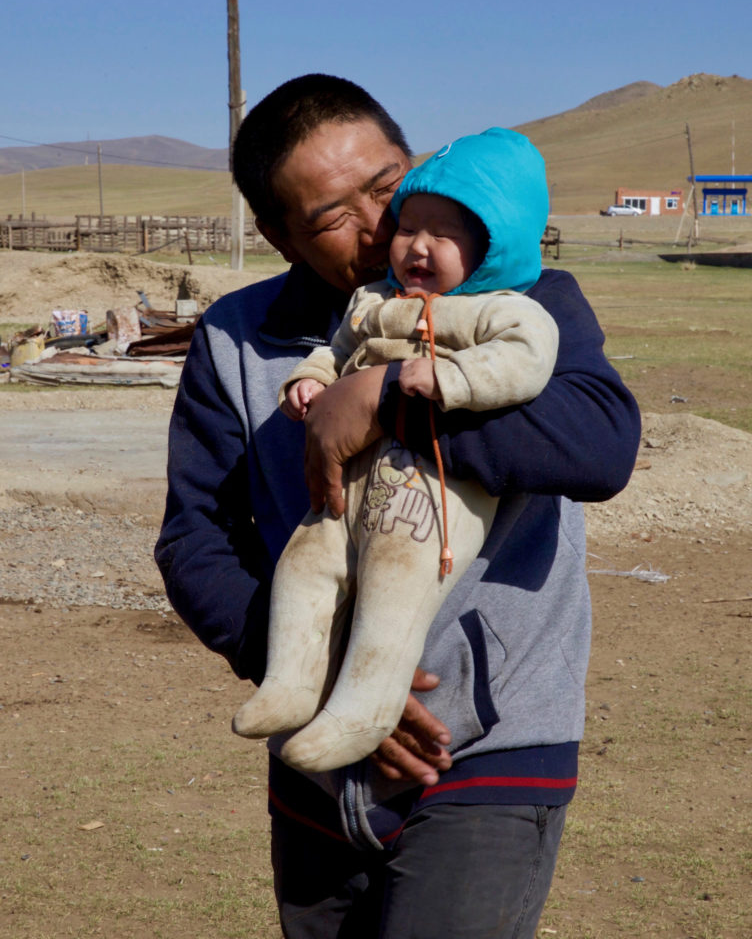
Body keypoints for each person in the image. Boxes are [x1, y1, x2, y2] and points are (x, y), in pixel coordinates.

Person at [155, 73, 641, 939]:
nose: (386, 230)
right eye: (336, 216)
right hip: (313, 766)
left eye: (389, 186)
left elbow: (601, 444)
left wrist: (386, 398)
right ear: (278, 235)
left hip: (488, 750)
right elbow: (196, 538)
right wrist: (322, 670)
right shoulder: (234, 341)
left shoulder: (524, 300)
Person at [232, 127, 560, 777]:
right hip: (344, 489)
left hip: (428, 501)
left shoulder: (501, 310)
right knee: (304, 568)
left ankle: (367, 710)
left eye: (446, 233)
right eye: (410, 226)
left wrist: (452, 380)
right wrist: (311, 381)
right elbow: (334, 350)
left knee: (393, 586)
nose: (417, 246)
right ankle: (292, 683)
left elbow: (527, 361)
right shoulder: (374, 302)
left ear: (496, 246)